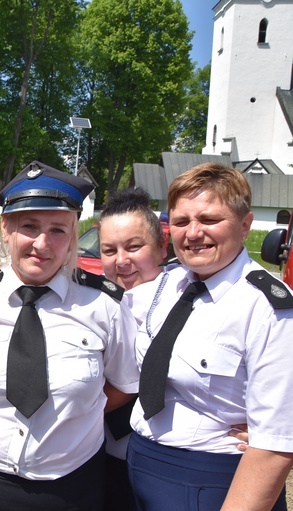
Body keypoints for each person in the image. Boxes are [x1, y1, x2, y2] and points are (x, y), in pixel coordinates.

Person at [0, 161, 138, 511]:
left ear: (73, 235)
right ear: (6, 229)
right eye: (29, 226)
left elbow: (124, 384)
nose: (42, 243)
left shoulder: (104, 306)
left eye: (58, 230)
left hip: (71, 488)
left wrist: (76, 410)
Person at [125, 162, 293, 510]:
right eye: (182, 222)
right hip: (141, 463)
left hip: (212, 481)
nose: (193, 232)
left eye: (210, 220)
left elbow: (276, 444)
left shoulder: (270, 309)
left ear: (245, 226)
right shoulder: (168, 283)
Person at [97, 188, 169, 511]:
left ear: (162, 248)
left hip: (162, 464)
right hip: (101, 459)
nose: (121, 261)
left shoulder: (193, 305)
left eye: (134, 247)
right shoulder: (92, 305)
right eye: (109, 250)